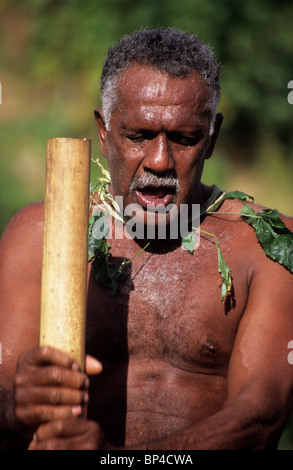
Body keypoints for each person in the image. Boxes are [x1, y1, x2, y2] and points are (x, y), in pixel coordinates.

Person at [1, 27, 293, 451]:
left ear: (211, 136)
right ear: (103, 132)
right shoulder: (41, 236)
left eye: (184, 138)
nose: (160, 161)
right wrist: (14, 409)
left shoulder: (266, 248)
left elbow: (259, 417)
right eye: (138, 136)